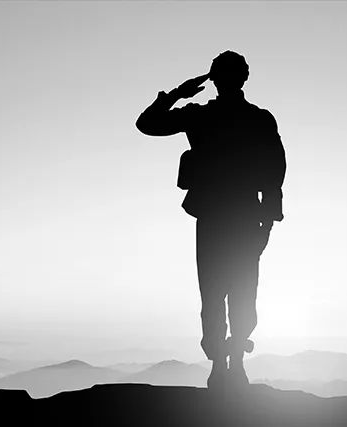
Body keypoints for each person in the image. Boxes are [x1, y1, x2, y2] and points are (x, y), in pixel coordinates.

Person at [135, 51, 286, 390]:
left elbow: (148, 123)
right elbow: (275, 171)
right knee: (240, 290)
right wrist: (268, 220)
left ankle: (223, 363)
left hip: (217, 216)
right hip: (243, 215)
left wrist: (178, 93)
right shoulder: (257, 118)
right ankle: (232, 363)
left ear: (215, 79)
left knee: (216, 291)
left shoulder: (203, 116)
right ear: (244, 78)